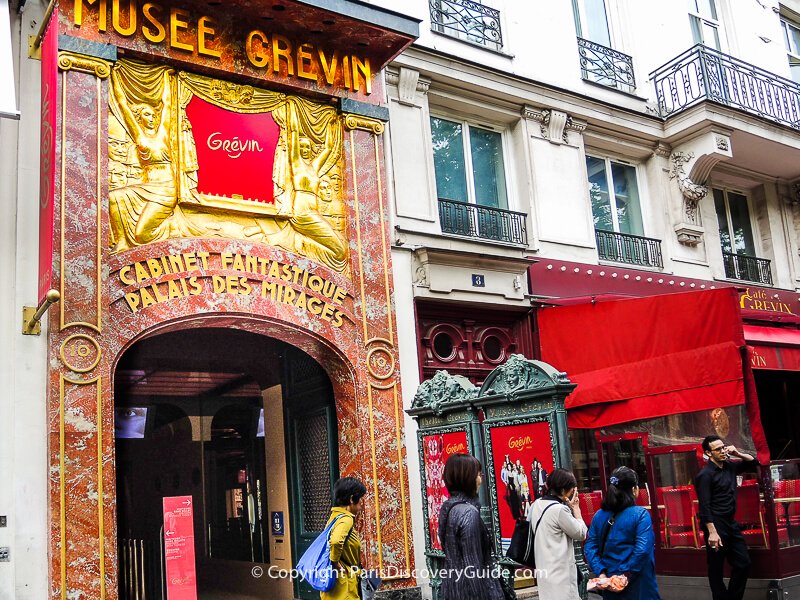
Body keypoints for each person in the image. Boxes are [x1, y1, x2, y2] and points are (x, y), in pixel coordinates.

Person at [694, 435, 757, 600]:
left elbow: (753, 462)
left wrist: (737, 453)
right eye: (718, 449)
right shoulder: (705, 475)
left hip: (731, 523)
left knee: (744, 563)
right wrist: (712, 532)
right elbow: (704, 506)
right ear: (709, 453)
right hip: (715, 524)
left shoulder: (729, 466)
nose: (722, 451)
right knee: (716, 568)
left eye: (723, 447)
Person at [584, 466, 660, 600]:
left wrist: (601, 573)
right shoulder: (640, 515)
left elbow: (590, 546)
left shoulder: (599, 515)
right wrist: (625, 575)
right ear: (634, 490)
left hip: (609, 581)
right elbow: (642, 550)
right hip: (638, 583)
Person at [438, 454, 505, 600]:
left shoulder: (448, 508)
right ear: (468, 478)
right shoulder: (468, 513)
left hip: (453, 588)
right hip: (471, 592)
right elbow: (473, 567)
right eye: (478, 474)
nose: (480, 479)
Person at [528, 468, 587, 600]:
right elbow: (581, 533)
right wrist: (576, 509)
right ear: (562, 490)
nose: (573, 491)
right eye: (571, 488)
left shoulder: (536, 505)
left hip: (544, 572)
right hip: (561, 576)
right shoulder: (559, 510)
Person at [321, 477, 366, 600]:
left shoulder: (334, 517)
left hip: (334, 583)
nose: (362, 503)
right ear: (352, 499)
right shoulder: (346, 519)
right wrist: (336, 563)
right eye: (361, 499)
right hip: (344, 584)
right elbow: (335, 541)